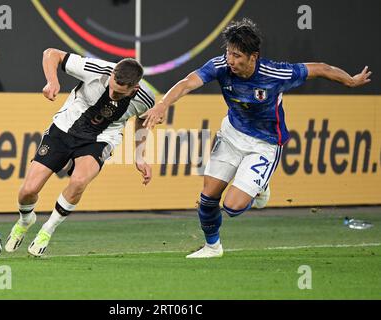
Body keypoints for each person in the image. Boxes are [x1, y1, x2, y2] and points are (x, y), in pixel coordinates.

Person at [142, 18, 372, 258]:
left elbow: (321, 68)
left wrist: (351, 81)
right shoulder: (220, 66)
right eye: (229, 53)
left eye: (238, 56)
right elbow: (187, 83)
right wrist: (162, 105)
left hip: (265, 144)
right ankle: (213, 247)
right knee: (208, 198)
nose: (231, 61)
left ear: (254, 56)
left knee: (232, 206)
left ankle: (260, 187)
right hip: (231, 135)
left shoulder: (275, 73)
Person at [5, 48, 155, 257]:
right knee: (28, 190)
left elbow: (143, 120)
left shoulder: (146, 98)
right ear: (111, 75)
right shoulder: (96, 70)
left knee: (79, 181)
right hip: (63, 129)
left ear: (134, 88)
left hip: (100, 139)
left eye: (120, 93)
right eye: (112, 87)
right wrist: (52, 81)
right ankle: (25, 220)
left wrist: (140, 156)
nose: (113, 95)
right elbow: (50, 53)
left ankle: (47, 230)